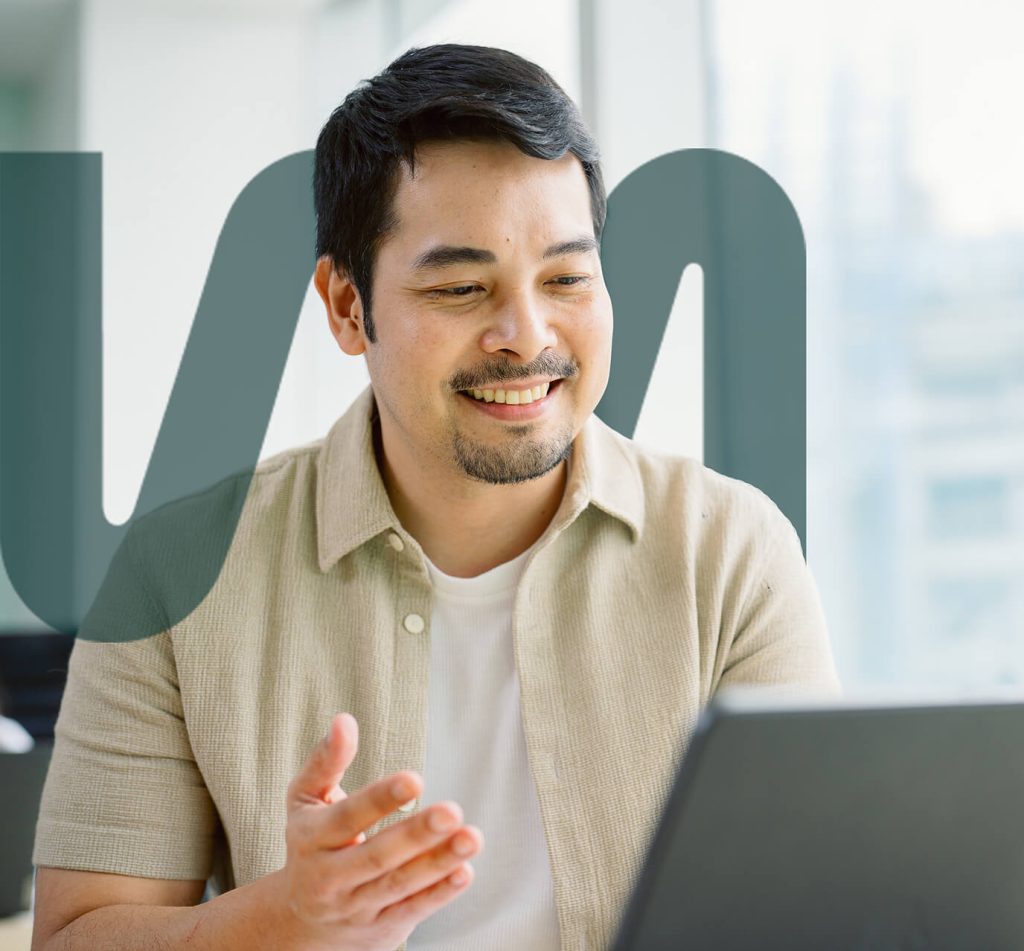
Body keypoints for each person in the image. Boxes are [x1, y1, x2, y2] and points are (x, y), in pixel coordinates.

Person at [31, 43, 839, 951]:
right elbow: (73, 938)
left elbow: (810, 914)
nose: (525, 336)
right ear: (346, 306)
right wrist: (287, 922)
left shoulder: (733, 553)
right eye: (460, 287)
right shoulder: (174, 574)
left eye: (568, 278)